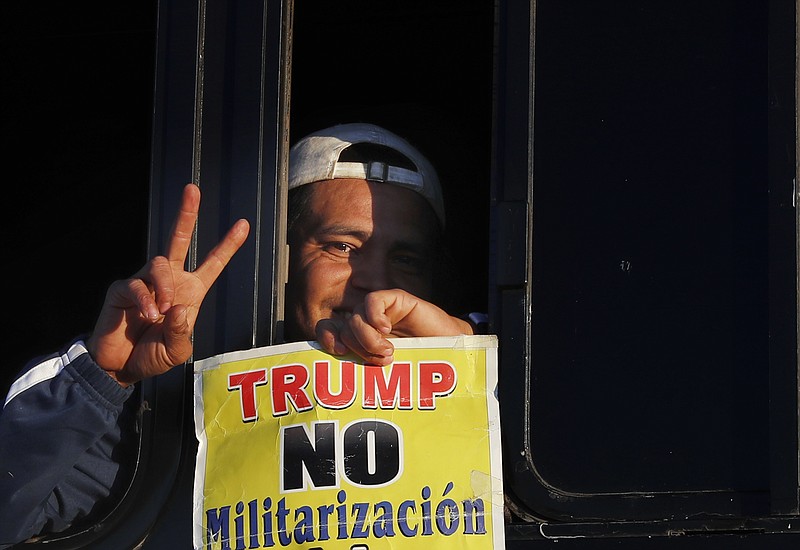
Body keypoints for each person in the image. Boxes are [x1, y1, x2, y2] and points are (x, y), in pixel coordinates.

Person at [0, 123, 480, 547]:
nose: (373, 278)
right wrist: (101, 377)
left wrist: (472, 358)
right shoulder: (176, 424)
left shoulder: (500, 405)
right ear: (282, 263)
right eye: (341, 246)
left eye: (406, 258)